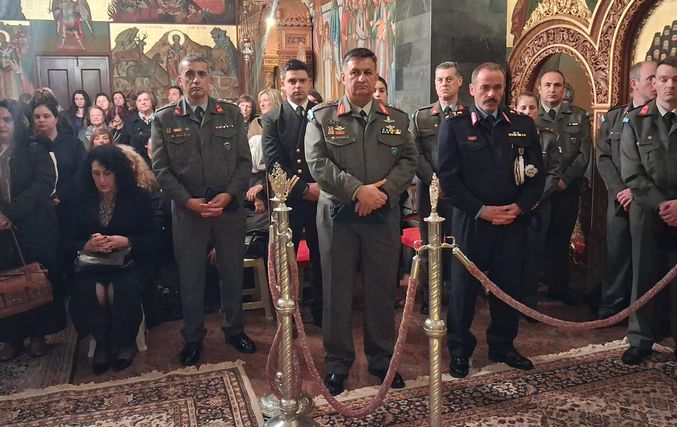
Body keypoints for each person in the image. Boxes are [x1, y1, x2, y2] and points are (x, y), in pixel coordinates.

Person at [305, 48, 417, 395]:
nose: (362, 79)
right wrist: (357, 192)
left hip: (382, 215)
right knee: (336, 292)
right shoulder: (322, 117)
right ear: (343, 76)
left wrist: (382, 194)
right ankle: (337, 364)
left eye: (368, 72)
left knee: (381, 291)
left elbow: (409, 160)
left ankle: (382, 361)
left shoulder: (396, 119)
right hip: (338, 217)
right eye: (354, 72)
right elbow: (318, 163)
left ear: (375, 75)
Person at [438, 62, 545, 379]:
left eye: (497, 87)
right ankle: (460, 350)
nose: (491, 93)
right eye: (485, 87)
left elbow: (537, 175)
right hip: (473, 221)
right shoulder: (455, 127)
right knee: (463, 290)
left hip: (511, 221)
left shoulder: (522, 125)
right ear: (472, 89)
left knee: (508, 286)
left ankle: (503, 345)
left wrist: (520, 207)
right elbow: (449, 181)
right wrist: (482, 210)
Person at [151, 55, 255, 366]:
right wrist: (187, 201)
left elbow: (244, 163)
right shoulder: (164, 118)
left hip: (228, 209)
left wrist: (228, 195)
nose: (196, 80)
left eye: (201, 74)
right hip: (188, 212)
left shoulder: (231, 114)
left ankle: (235, 329)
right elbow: (161, 170)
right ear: (179, 79)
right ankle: (193, 337)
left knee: (232, 272)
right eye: (189, 75)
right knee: (191, 277)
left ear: (210, 78)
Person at [64, 145, 154, 374]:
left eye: (107, 173)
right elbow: (65, 242)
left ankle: (124, 342)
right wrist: (86, 245)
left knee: (120, 289)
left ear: (118, 172)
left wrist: (126, 241)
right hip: (91, 264)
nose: (102, 180)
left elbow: (154, 241)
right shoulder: (79, 199)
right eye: (96, 174)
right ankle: (102, 342)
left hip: (129, 262)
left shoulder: (138, 197)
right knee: (92, 290)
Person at [619, 58, 677, 365]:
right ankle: (640, 339)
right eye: (663, 79)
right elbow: (632, 172)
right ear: (654, 83)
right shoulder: (635, 120)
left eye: (676, 80)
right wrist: (662, 205)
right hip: (647, 213)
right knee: (644, 274)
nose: (670, 85)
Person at [0, 99, 63, 362]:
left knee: (33, 277)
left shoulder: (35, 148)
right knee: (6, 280)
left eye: (6, 119)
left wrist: (10, 213)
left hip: (33, 225)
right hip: (1, 231)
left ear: (17, 121)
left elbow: (44, 184)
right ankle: (11, 337)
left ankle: (38, 335)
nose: (2, 125)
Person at [262, 59, 323, 327]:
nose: (297, 86)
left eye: (302, 81)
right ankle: (287, 317)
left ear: (309, 83)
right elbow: (274, 164)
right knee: (286, 260)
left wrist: (321, 187)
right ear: (283, 85)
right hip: (290, 201)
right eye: (291, 81)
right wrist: (304, 189)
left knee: (323, 257)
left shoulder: (322, 114)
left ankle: (322, 312)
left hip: (322, 197)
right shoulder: (272, 119)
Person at [596, 61, 657, 320]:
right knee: (616, 254)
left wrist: (635, 190)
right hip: (618, 199)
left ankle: (642, 316)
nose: (656, 83)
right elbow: (603, 157)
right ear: (634, 84)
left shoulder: (662, 117)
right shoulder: (614, 117)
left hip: (648, 199)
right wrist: (620, 189)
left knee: (646, 260)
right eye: (651, 78)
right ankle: (612, 308)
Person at [412, 61, 464, 315]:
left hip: (459, 192)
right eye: (440, 79)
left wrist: (451, 183)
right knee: (429, 246)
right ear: (434, 83)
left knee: (456, 245)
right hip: (428, 191)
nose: (444, 84)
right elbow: (415, 153)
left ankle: (456, 297)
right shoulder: (421, 116)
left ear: (460, 82)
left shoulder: (468, 115)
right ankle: (430, 297)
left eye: (449, 79)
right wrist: (434, 181)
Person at [536, 70, 591, 306]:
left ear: (563, 88)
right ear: (539, 89)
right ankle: (531, 290)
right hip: (538, 191)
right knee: (535, 239)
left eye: (557, 85)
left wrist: (565, 180)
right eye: (547, 85)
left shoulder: (578, 116)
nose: (552, 90)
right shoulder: (531, 114)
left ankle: (558, 287)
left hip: (565, 190)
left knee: (560, 239)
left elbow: (584, 153)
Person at [514, 92, 561, 318]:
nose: (527, 112)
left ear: (537, 111)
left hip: (539, 205)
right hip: (512, 205)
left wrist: (533, 199)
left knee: (534, 254)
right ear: (515, 110)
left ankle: (529, 303)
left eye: (531, 108)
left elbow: (554, 172)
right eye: (523, 108)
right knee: (511, 254)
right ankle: (508, 301)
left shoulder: (549, 136)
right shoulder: (507, 133)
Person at [31, 98, 86, 212]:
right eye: (37, 117)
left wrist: (61, 194)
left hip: (70, 204)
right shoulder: (30, 146)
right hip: (38, 206)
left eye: (46, 116)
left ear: (56, 119)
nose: (41, 120)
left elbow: (82, 171)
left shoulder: (73, 143)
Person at [245, 88, 282, 226]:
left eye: (266, 100)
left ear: (275, 100)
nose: (262, 104)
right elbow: (250, 162)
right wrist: (258, 190)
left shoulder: (284, 121)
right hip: (259, 180)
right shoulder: (256, 124)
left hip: (281, 179)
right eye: (260, 101)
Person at [122, 89, 154, 164]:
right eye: (139, 100)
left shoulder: (161, 118)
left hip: (160, 163)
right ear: (136, 104)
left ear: (152, 101)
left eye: (146, 99)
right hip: (139, 164)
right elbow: (124, 145)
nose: (143, 102)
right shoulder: (129, 121)